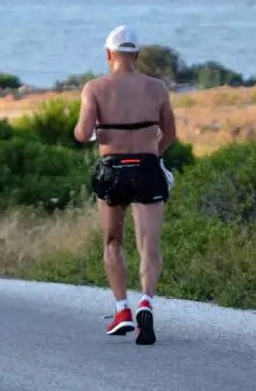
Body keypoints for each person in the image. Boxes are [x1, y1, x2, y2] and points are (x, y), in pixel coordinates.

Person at [73, 24, 178, 346]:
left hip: (112, 170)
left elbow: (82, 133)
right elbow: (170, 134)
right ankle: (146, 301)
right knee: (149, 246)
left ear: (109, 54)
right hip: (146, 169)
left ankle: (122, 310)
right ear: (137, 55)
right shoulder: (157, 88)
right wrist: (149, 156)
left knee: (113, 243)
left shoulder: (94, 87)